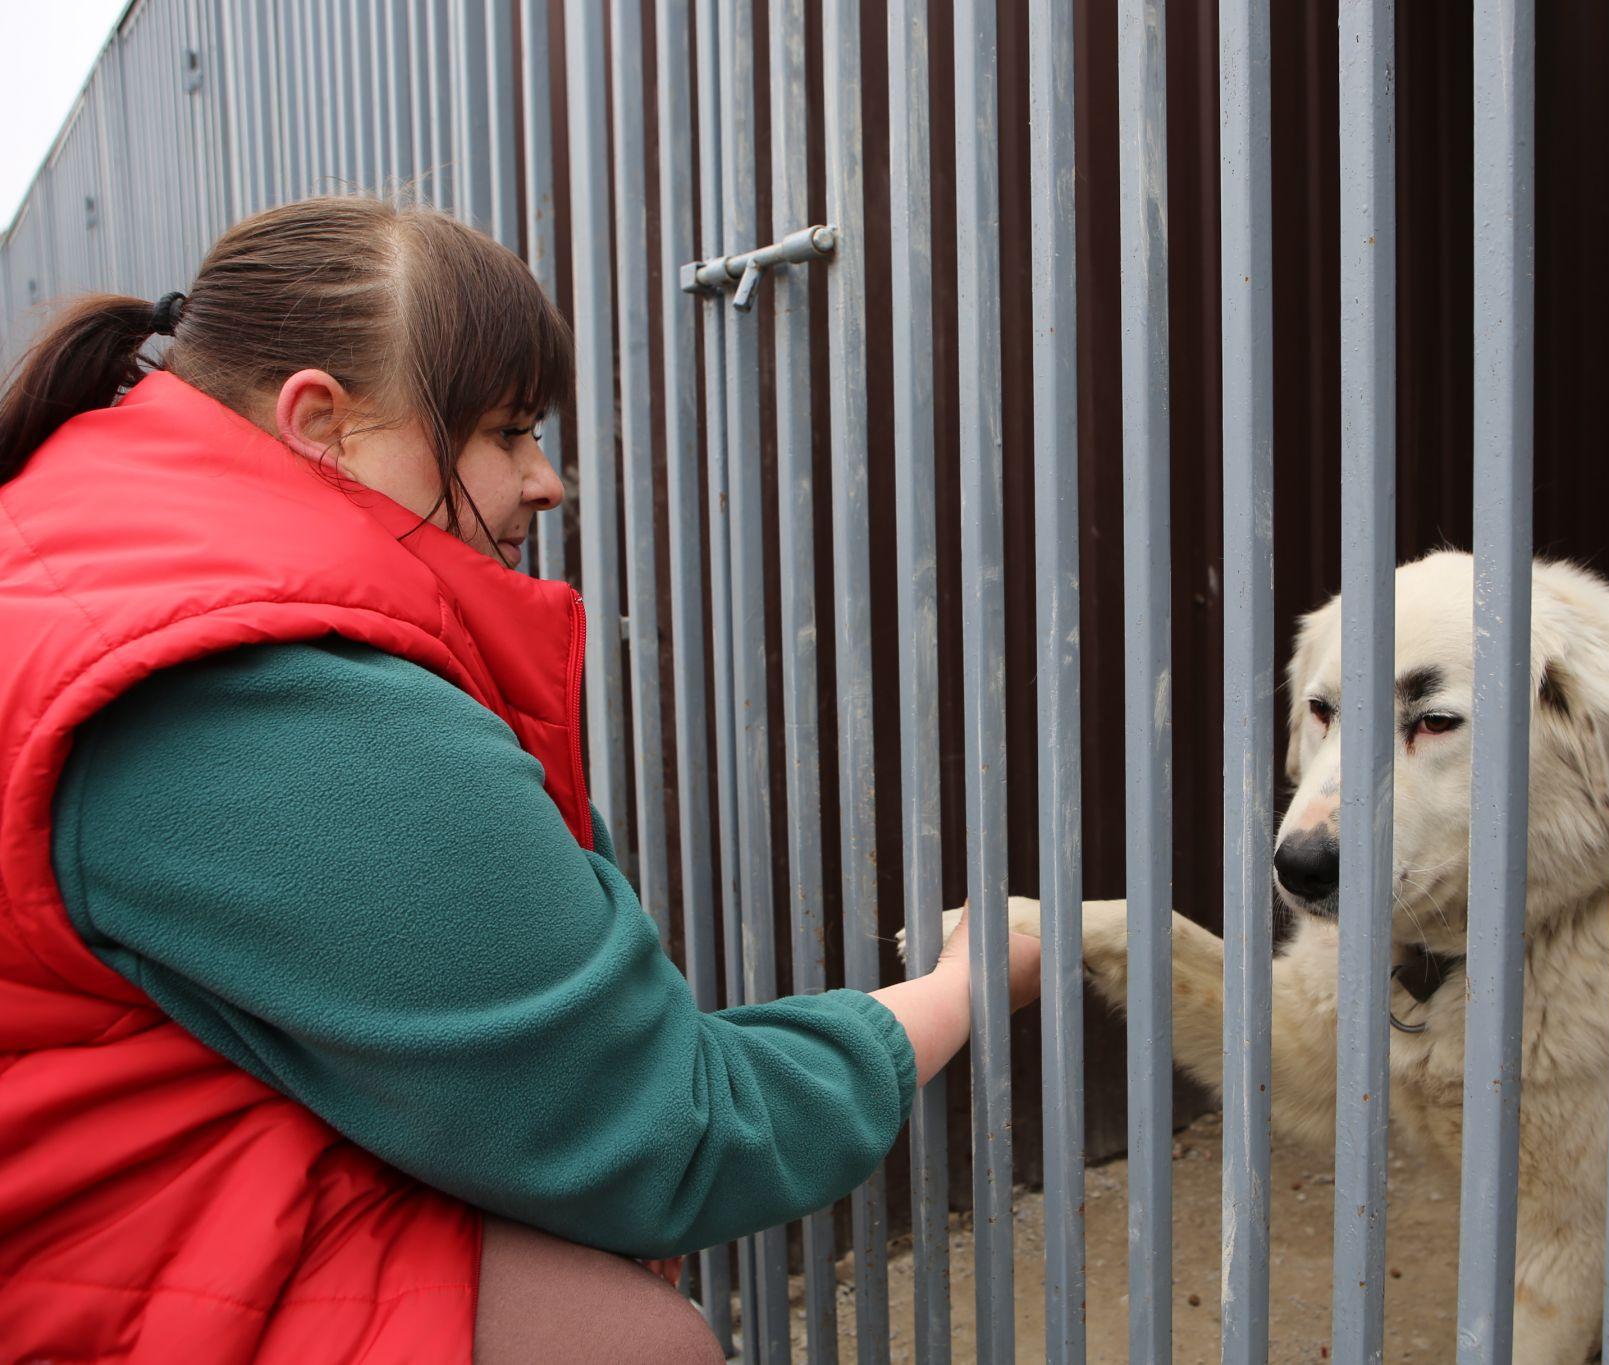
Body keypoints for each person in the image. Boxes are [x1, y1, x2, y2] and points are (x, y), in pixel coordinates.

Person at [0, 196, 1040, 1364]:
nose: (549, 481)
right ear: (319, 423)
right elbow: (668, 1136)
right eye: (505, 433)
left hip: (66, 1179)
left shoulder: (93, 527)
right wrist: (961, 987)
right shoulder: (254, 689)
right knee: (629, 1347)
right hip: (76, 1270)